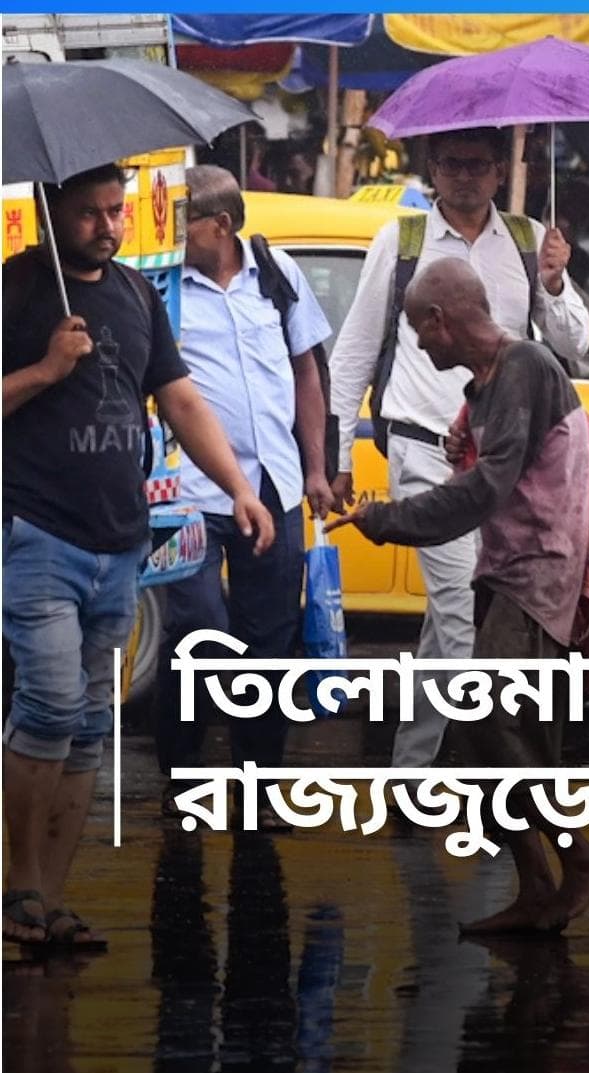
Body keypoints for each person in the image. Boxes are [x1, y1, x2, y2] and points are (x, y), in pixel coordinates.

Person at [3, 163, 276, 952]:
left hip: (119, 541)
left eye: (116, 212)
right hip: (38, 536)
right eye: (89, 213)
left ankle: (49, 899)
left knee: (90, 726)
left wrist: (238, 487)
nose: (108, 226)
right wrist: (47, 369)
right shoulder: (16, 293)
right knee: (49, 707)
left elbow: (180, 398)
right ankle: (16, 888)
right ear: (50, 212)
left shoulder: (135, 294)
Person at [330, 258, 589, 935]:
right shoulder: (486, 384)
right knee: (504, 733)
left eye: (418, 332)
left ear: (440, 320)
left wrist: (386, 518)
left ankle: (578, 860)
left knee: (488, 717)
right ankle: (540, 886)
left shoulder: (525, 367)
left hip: (539, 574)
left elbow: (487, 489)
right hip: (506, 569)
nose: (419, 347)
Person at [326, 126, 589, 769]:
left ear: (501, 171)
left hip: (503, 466)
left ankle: (412, 773)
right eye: (450, 165)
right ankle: (496, 781)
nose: (464, 177)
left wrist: (554, 284)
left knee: (448, 627)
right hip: (422, 451)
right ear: (432, 170)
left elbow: (576, 347)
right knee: (463, 623)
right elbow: (355, 353)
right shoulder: (403, 239)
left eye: (477, 165)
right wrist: (334, 458)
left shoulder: (528, 242)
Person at [155, 166, 336, 791]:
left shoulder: (278, 274)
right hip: (188, 496)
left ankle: (258, 781)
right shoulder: (160, 287)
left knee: (268, 643)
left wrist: (315, 467)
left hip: (276, 487)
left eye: (182, 222)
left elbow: (306, 373)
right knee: (198, 632)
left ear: (221, 225)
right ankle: (182, 780)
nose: (171, 233)